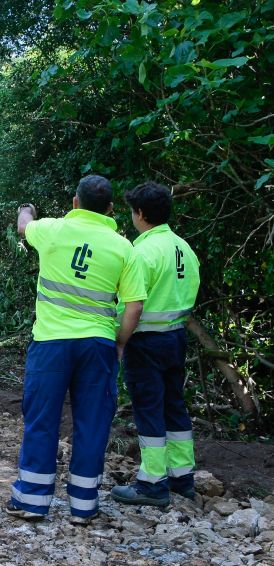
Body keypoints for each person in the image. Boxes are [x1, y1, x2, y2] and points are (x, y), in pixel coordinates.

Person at [7, 175, 146, 525]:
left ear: (74, 202)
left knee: (41, 420)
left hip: (51, 344)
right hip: (97, 346)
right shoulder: (123, 248)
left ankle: (32, 501)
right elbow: (133, 306)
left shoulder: (52, 230)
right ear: (111, 208)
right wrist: (119, 342)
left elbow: (24, 227)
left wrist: (26, 210)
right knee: (92, 423)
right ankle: (83, 507)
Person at [111, 181, 200, 507]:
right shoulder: (184, 248)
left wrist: (120, 340)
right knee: (175, 406)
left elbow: (129, 305)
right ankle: (182, 479)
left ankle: (152, 483)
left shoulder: (142, 252)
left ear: (140, 214)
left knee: (148, 409)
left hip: (146, 341)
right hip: (176, 338)